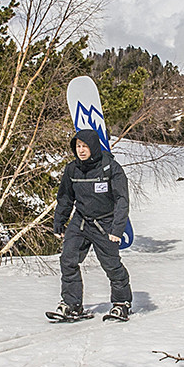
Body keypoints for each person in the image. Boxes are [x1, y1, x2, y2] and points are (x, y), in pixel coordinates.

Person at [53, 129, 133, 321]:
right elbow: (65, 197)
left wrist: (117, 229)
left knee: (111, 265)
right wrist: (59, 221)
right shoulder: (72, 169)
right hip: (80, 221)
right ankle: (72, 305)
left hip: (104, 223)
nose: (81, 150)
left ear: (94, 147)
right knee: (68, 260)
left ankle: (122, 303)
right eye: (78, 146)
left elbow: (122, 200)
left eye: (85, 146)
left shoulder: (111, 168)